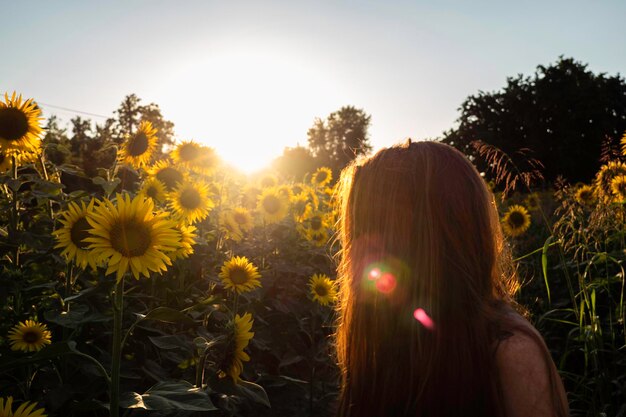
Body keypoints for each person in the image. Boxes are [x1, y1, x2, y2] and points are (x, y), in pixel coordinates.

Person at [334, 140, 568, 417]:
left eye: (373, 229)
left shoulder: (508, 354)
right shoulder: (382, 339)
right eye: (358, 232)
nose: (355, 253)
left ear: (430, 238)